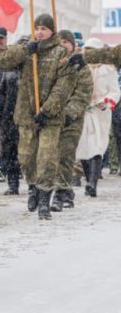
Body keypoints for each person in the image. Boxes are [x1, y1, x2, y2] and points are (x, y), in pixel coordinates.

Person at [0, 14, 78, 220]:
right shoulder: (27, 50)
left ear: (52, 31)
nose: (40, 32)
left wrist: (47, 110)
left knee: (47, 158)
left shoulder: (61, 53)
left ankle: (44, 198)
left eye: (44, 28)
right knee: (26, 157)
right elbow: (3, 61)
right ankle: (32, 185)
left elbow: (63, 88)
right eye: (37, 28)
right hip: (26, 115)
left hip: (50, 118)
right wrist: (25, 49)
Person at [52, 30, 93, 211]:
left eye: (65, 43)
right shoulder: (50, 65)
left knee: (65, 155)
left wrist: (69, 113)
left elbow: (83, 93)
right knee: (51, 157)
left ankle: (60, 194)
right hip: (51, 117)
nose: (62, 46)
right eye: (59, 42)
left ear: (72, 45)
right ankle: (66, 190)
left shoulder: (80, 66)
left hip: (71, 120)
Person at [76, 38, 119, 197]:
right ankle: (88, 179)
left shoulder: (109, 70)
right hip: (83, 111)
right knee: (84, 147)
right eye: (87, 49)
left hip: (100, 112)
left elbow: (115, 91)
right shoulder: (79, 68)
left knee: (97, 147)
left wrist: (106, 102)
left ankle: (92, 183)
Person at [0, 69, 21, 195]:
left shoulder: (31, 67)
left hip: (27, 117)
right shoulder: (8, 72)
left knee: (28, 152)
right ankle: (13, 184)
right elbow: (1, 93)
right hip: (8, 117)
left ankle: (34, 186)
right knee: (10, 151)